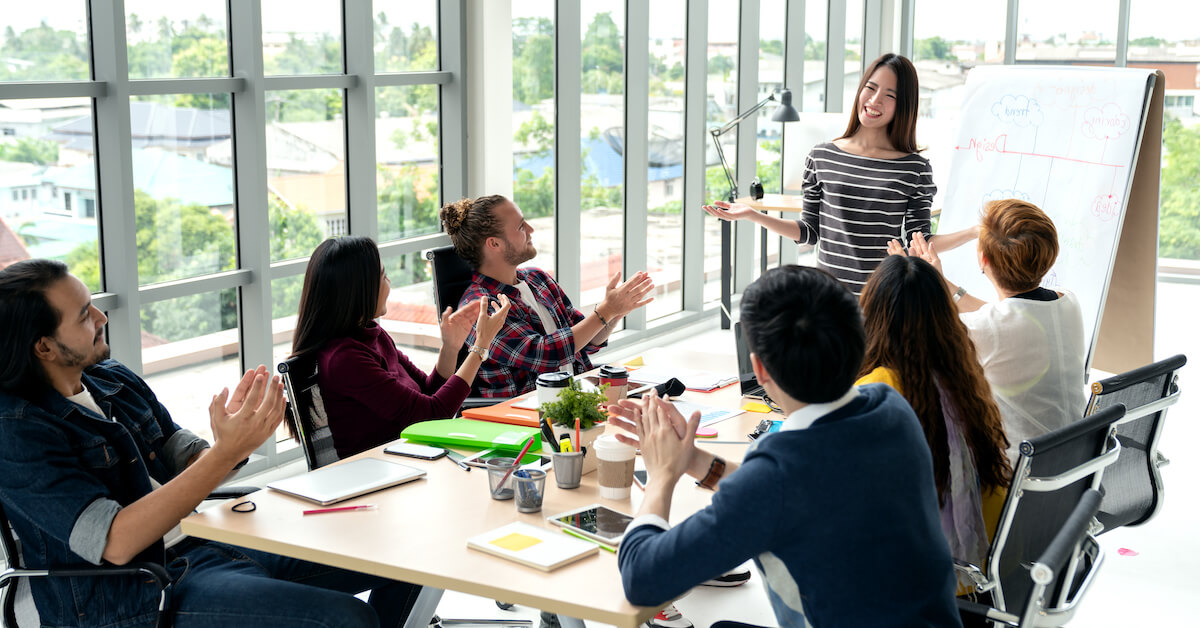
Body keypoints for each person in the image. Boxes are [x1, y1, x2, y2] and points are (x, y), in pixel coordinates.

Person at [0, 259, 422, 628]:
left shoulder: (111, 379)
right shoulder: (16, 432)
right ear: (44, 346)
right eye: (82, 316)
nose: (101, 317)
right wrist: (223, 454)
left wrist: (233, 439)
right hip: (137, 591)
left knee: (407, 552)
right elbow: (115, 541)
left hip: (209, 541)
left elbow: (182, 455)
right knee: (344, 618)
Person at [608, 265, 962, 627]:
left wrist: (661, 474)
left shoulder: (778, 477)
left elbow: (642, 579)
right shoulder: (891, 407)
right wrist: (693, 459)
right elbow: (796, 493)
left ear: (760, 369)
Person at [702, 53, 977, 295]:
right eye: (870, 88)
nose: (875, 100)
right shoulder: (821, 156)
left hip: (884, 298)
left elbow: (922, 243)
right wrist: (752, 214)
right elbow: (809, 232)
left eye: (890, 95)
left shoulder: (914, 169)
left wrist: (975, 232)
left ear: (903, 104)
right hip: (830, 298)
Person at [856, 254, 1012, 593]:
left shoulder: (874, 391)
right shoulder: (964, 378)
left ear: (870, 317)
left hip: (930, 587)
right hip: (987, 575)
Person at [896, 198, 1086, 461]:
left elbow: (994, 322)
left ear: (982, 259)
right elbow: (1011, 317)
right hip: (1075, 469)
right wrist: (941, 280)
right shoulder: (1069, 303)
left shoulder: (984, 328)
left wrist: (905, 279)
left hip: (1016, 479)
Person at [289, 237, 511, 459]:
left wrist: (451, 348)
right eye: (383, 276)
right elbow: (432, 416)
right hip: (379, 472)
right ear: (360, 290)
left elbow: (427, 391)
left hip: (409, 457)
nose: (389, 282)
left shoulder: (372, 333)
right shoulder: (345, 359)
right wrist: (480, 347)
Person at [440, 195, 654, 397]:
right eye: (521, 226)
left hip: (576, 400)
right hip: (526, 415)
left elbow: (588, 341)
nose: (531, 230)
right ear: (494, 244)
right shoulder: (482, 305)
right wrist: (604, 311)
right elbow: (547, 354)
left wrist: (614, 312)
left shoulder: (537, 278)